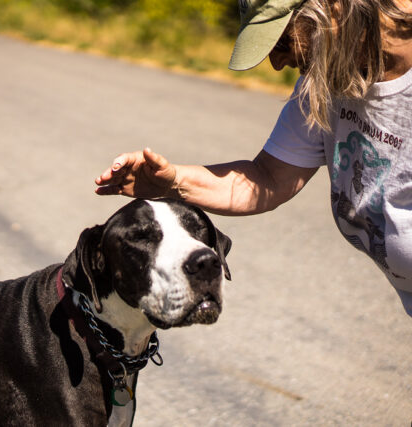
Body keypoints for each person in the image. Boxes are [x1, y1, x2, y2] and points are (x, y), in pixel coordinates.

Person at [94, 0, 412, 317]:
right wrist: (172, 180)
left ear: (332, 9)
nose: (277, 63)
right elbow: (267, 179)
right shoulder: (327, 80)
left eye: (282, 40)